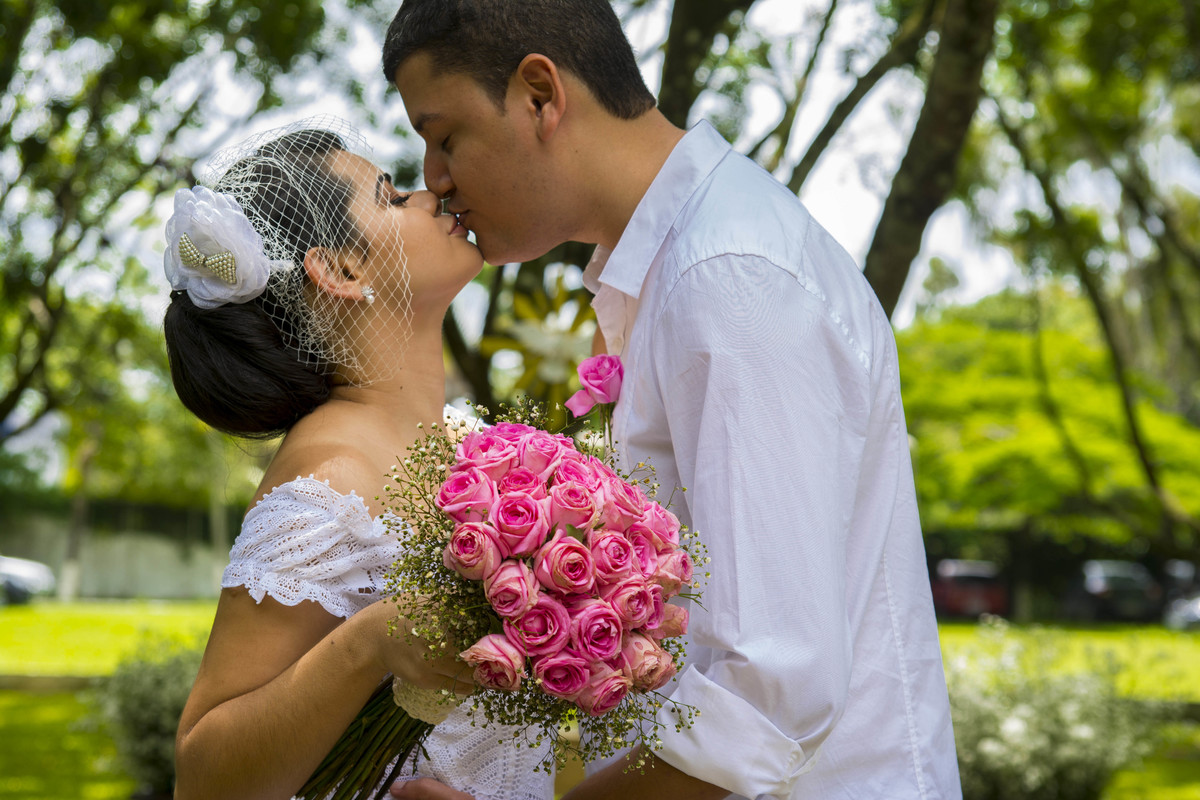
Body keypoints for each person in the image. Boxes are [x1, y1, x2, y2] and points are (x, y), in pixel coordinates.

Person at [380, 2, 962, 799]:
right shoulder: (674, 269)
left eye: (444, 137)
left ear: (540, 94)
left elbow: (764, 700)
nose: (434, 179)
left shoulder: (728, 275)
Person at [163, 120, 555, 800]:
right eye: (392, 196)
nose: (431, 195)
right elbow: (204, 779)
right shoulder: (331, 482)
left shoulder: (470, 445)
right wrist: (371, 643)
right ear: (340, 270)